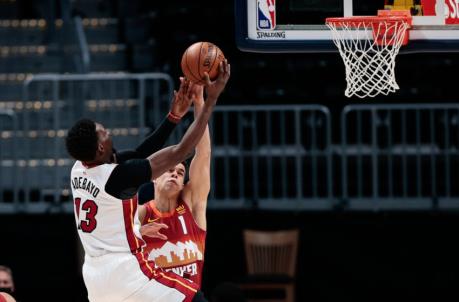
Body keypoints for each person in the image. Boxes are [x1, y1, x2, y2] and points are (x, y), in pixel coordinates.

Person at [66, 61, 230, 302]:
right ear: (101, 147)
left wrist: (174, 117)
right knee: (195, 299)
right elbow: (182, 151)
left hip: (94, 278)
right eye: (105, 132)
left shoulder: (79, 168)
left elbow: (137, 154)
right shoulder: (118, 178)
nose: (109, 133)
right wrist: (210, 100)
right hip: (126, 272)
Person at [138, 84, 210, 288]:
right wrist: (137, 233)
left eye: (180, 172)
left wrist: (199, 102)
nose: (175, 174)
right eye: (169, 169)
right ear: (153, 177)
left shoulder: (191, 204)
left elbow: (203, 156)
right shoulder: (141, 214)